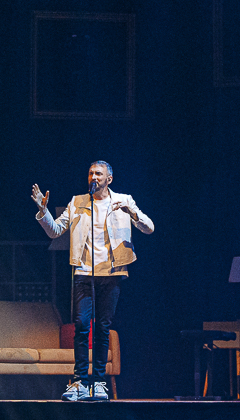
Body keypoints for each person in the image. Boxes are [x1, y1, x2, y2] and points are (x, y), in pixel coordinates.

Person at [32, 160, 154, 402]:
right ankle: (79, 381)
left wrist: (133, 213)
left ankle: (98, 382)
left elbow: (149, 228)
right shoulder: (78, 202)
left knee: (103, 328)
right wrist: (43, 212)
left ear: (109, 178)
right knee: (81, 325)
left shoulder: (124, 201)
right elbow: (56, 231)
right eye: (90, 173)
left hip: (111, 272)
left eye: (99, 173)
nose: (93, 177)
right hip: (84, 272)